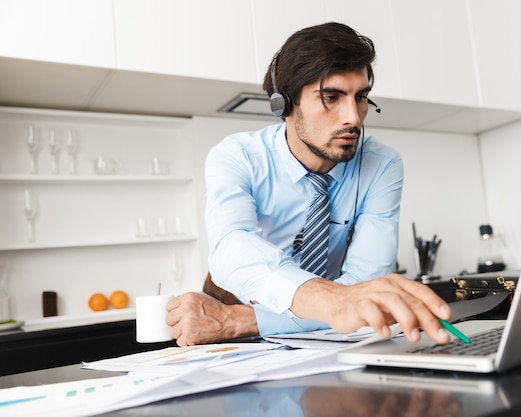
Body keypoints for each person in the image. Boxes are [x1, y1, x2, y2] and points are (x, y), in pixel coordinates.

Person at [166, 22, 452, 346]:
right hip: (227, 314)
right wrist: (335, 303)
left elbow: (363, 289)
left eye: (360, 98)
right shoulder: (237, 156)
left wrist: (241, 322)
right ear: (284, 104)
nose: (354, 118)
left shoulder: (382, 165)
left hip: (295, 331)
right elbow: (232, 251)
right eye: (331, 97)